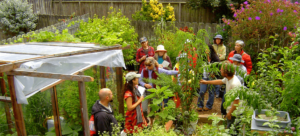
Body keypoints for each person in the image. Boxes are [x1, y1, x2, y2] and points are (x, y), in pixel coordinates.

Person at [200, 61, 242, 129]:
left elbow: (236, 102)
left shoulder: (234, 83)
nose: (220, 70)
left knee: (232, 130)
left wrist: (229, 113)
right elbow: (220, 81)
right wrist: (206, 82)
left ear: (226, 73)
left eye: (221, 70)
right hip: (231, 110)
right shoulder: (228, 79)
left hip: (235, 113)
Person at [139, 57, 179, 125]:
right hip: (146, 92)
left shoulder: (158, 70)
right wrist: (145, 84)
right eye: (147, 65)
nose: (148, 67)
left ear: (154, 64)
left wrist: (178, 72)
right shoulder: (144, 71)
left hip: (154, 92)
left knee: (152, 109)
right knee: (144, 109)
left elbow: (168, 72)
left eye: (149, 65)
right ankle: (145, 120)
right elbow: (140, 80)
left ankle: (151, 124)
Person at [197, 45, 221, 111]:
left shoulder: (215, 58)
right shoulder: (202, 58)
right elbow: (199, 67)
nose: (205, 50)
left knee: (211, 92)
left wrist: (215, 74)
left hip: (212, 77)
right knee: (202, 91)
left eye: (207, 49)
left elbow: (219, 68)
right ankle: (200, 105)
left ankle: (209, 105)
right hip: (204, 76)